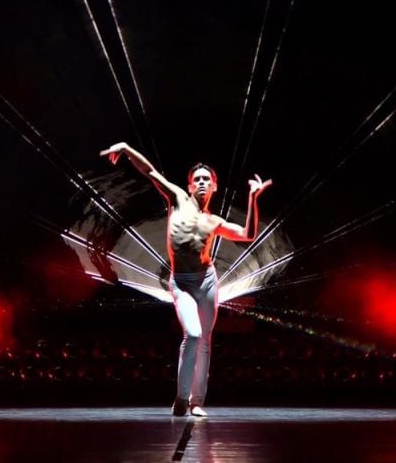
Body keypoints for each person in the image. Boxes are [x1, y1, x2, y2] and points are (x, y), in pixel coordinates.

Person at [100, 141, 272, 417]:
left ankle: (197, 402)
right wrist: (126, 148)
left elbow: (247, 234)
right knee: (192, 335)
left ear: (214, 187)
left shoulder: (214, 221)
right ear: (190, 186)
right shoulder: (178, 198)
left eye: (207, 180)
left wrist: (252, 199)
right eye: (197, 180)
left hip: (207, 281)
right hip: (181, 282)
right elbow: (150, 171)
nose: (202, 183)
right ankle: (181, 398)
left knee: (204, 341)